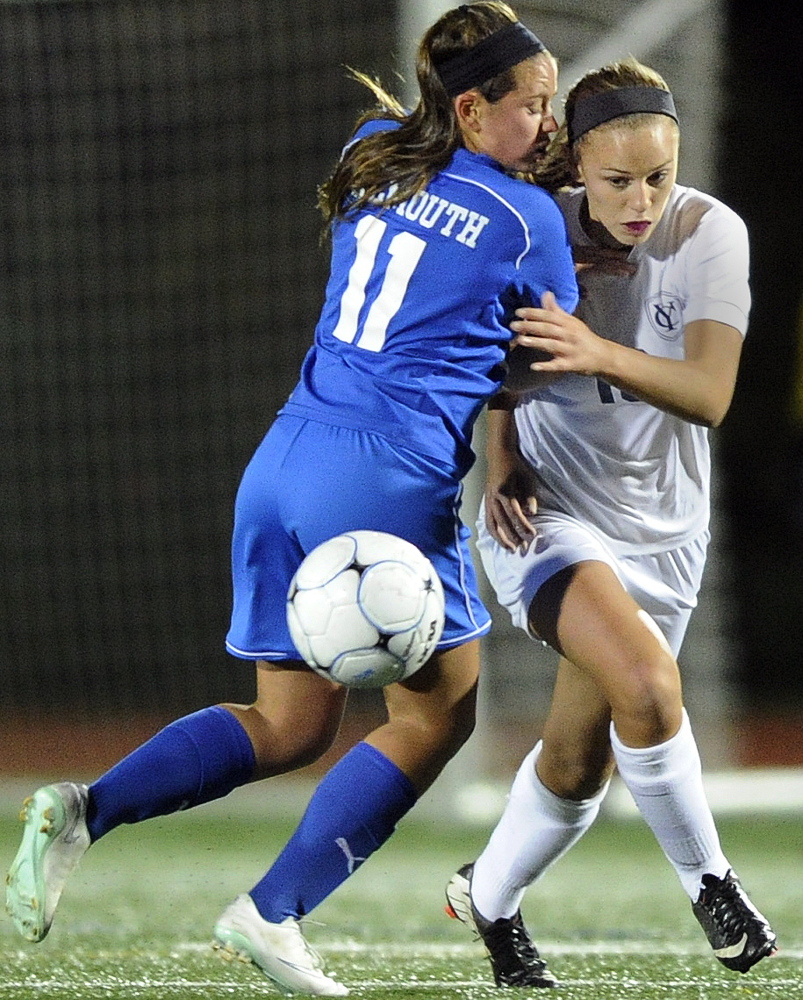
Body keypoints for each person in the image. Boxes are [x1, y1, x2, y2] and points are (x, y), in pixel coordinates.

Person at [5, 4, 579, 996]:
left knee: (292, 723)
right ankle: (271, 911)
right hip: (388, 473)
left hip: (284, 458)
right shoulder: (524, 221)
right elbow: (549, 357)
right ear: (474, 106)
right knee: (436, 713)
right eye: (532, 108)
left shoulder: (369, 150)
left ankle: (89, 806)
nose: (547, 124)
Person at [444, 58, 778, 987]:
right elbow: (490, 357)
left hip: (666, 529)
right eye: (617, 180)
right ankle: (712, 884)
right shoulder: (531, 228)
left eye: (659, 177)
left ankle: (491, 899)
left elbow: (708, 396)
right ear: (576, 167)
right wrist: (501, 459)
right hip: (548, 517)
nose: (641, 200)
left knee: (578, 758)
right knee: (646, 680)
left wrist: (598, 349)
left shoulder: (710, 234)